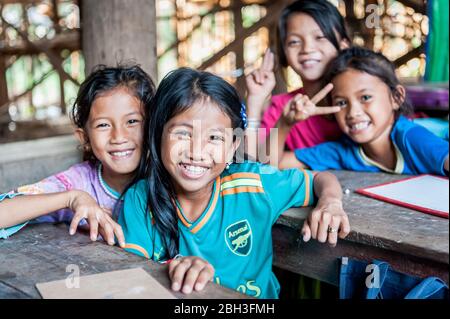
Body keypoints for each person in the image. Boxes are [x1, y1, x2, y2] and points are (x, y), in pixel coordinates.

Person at [119, 68, 351, 298]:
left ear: (232, 148)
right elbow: (129, 276)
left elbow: (321, 178)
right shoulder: (141, 199)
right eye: (183, 133)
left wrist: (330, 202)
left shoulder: (253, 185)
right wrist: (170, 267)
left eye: (215, 137)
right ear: (158, 136)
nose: (197, 151)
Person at [0, 64, 155, 245]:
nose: (119, 137)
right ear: (84, 138)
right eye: (103, 125)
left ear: (152, 126)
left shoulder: (164, 178)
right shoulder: (79, 183)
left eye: (132, 121)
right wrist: (72, 198)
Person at [279, 47, 449, 176]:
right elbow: (270, 163)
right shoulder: (344, 151)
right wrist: (284, 124)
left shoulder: (412, 139)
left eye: (366, 97)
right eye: (342, 102)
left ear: (396, 97)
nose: (353, 112)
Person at [245, 0, 351, 160]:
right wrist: (255, 101)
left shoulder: (360, 96)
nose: (307, 49)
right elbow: (251, 163)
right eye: (294, 41)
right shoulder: (282, 107)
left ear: (343, 46)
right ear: (284, 54)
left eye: (320, 37)